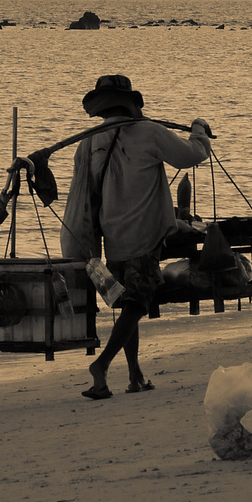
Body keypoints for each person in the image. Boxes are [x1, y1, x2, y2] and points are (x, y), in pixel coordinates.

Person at [60, 74, 211, 399]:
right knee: (137, 303)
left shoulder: (91, 140)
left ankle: (134, 376)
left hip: (112, 234)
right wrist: (199, 129)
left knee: (128, 300)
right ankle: (101, 366)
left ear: (102, 107)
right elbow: (192, 156)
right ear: (130, 103)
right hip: (144, 235)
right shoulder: (148, 132)